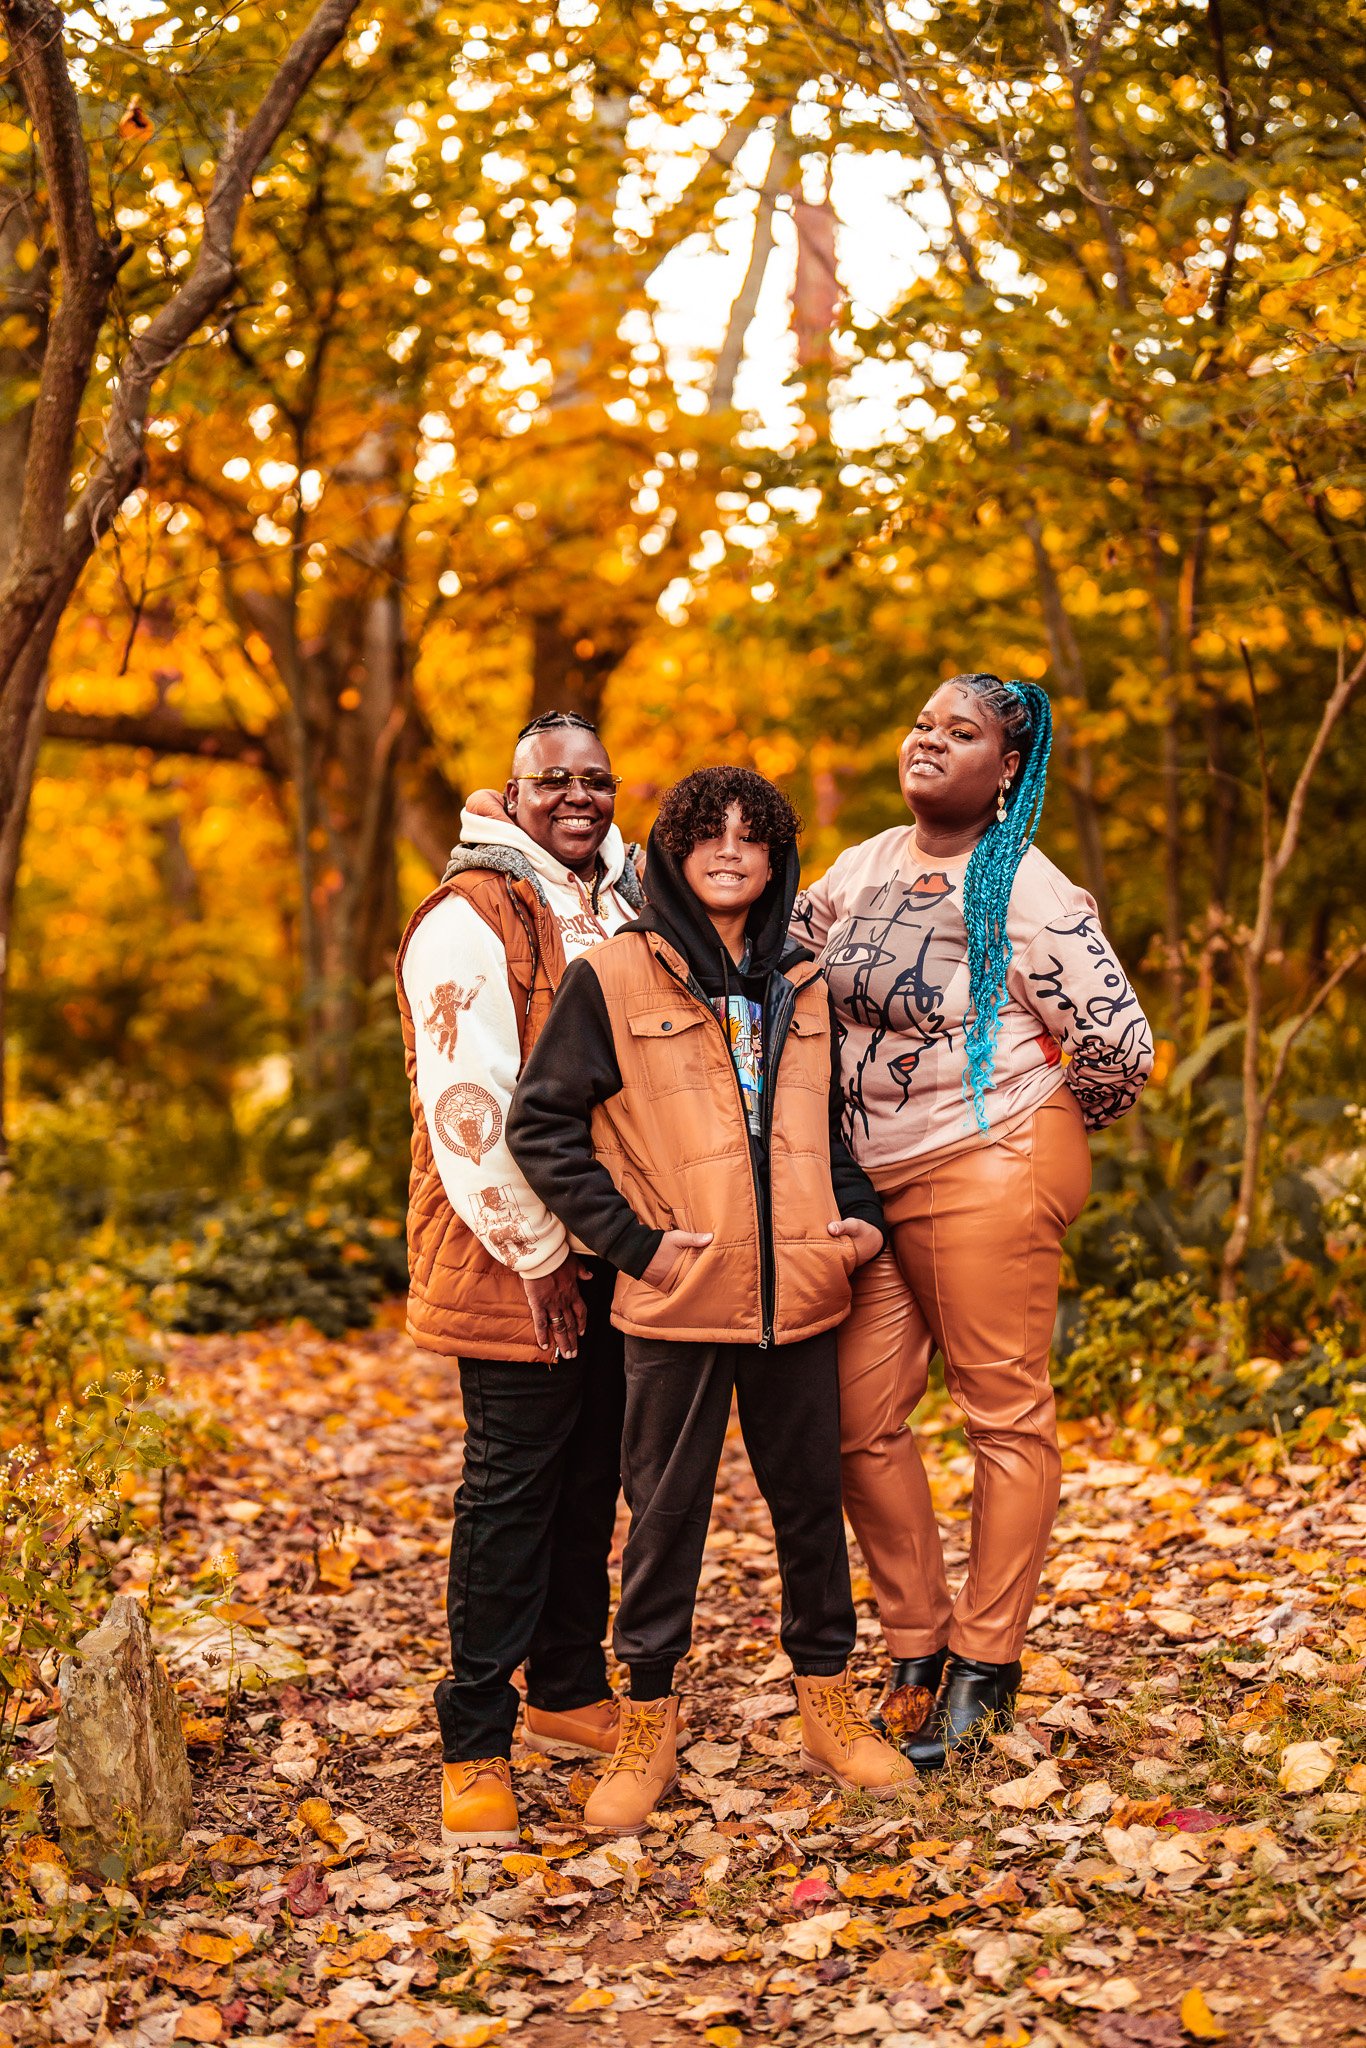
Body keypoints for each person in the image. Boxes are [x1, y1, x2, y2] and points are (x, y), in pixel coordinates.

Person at [508, 766, 914, 1832]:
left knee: (808, 1513)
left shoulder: (806, 979)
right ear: (675, 849)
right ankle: (646, 1721)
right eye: (706, 833)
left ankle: (827, 1705)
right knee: (664, 1518)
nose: (730, 849)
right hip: (679, 1298)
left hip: (803, 1295)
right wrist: (635, 1244)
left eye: (752, 834)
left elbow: (833, 1130)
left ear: (776, 854)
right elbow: (541, 1126)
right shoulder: (613, 975)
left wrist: (860, 1217)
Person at [792, 675, 1153, 1768]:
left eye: (962, 734)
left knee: (1001, 1412)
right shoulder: (861, 867)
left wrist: (1021, 1123)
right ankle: (919, 1643)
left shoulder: (1025, 886)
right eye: (921, 725)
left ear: (1006, 770)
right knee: (854, 1419)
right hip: (872, 1179)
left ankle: (985, 1670)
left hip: (989, 1162)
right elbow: (773, 954)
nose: (930, 742)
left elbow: (1120, 1043)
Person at [396, 709, 643, 1847]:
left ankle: (563, 1686)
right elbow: (469, 1102)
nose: (579, 795)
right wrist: (538, 1254)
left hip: (614, 1243)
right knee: (511, 1487)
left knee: (592, 1471)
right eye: (554, 780)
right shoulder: (472, 913)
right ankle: (474, 1739)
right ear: (512, 789)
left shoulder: (614, 894)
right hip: (514, 1247)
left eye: (596, 777)